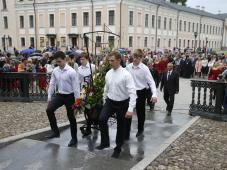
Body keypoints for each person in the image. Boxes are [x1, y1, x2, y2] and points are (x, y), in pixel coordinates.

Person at [96, 51, 137, 158]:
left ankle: (118, 148)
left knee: (121, 126)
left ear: (119, 60)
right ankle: (105, 142)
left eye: (112, 60)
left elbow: (133, 92)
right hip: (110, 101)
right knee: (101, 119)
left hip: (123, 103)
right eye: (109, 60)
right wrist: (104, 100)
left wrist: (130, 109)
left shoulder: (126, 74)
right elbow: (106, 88)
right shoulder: (109, 73)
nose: (110, 62)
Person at [46, 51, 80, 147]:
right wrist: (49, 96)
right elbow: (52, 84)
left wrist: (77, 102)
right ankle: (55, 132)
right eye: (57, 62)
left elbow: (76, 88)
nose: (58, 63)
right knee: (49, 110)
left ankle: (74, 138)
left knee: (71, 117)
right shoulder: (55, 70)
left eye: (60, 61)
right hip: (60, 95)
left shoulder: (71, 72)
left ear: (65, 59)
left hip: (70, 96)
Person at [125, 49, 157, 138]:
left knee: (140, 112)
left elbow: (151, 82)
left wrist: (154, 94)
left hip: (141, 92)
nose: (135, 59)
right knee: (129, 111)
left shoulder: (144, 68)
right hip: (130, 92)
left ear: (141, 58)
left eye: (137, 58)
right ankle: (126, 131)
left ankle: (140, 129)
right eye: (134, 57)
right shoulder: (128, 67)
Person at [77, 52, 96, 137]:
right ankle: (89, 125)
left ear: (87, 59)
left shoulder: (93, 67)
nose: (81, 61)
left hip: (92, 90)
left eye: (83, 59)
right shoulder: (79, 68)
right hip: (83, 91)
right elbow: (78, 81)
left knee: (90, 109)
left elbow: (96, 77)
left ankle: (89, 127)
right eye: (80, 59)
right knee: (85, 109)